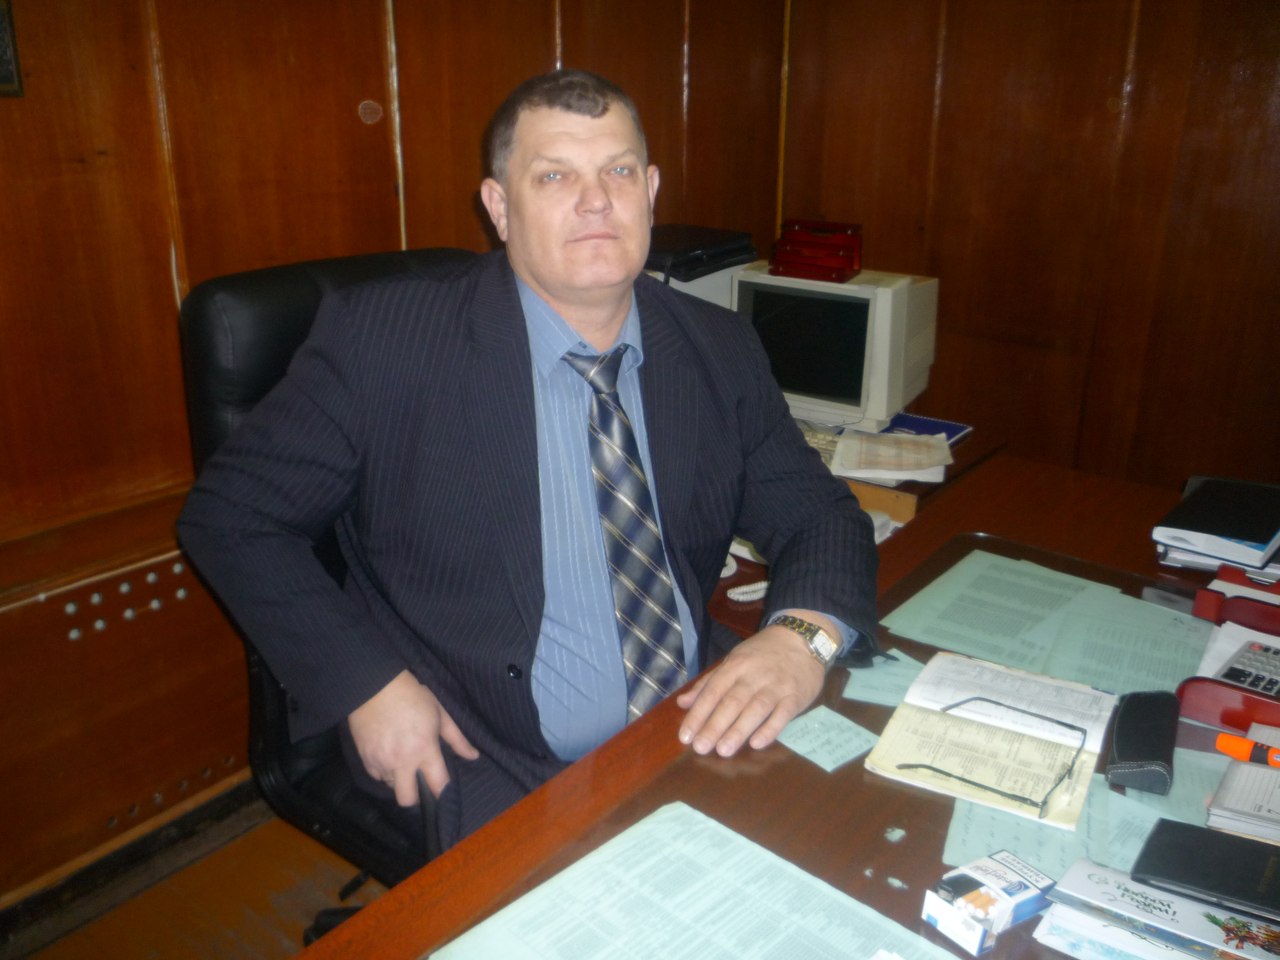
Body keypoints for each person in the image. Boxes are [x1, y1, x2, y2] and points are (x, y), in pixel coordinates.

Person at [178, 69, 878, 850]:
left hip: (692, 712)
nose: (596, 201)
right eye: (554, 176)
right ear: (499, 208)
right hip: (483, 741)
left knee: (853, 840)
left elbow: (819, 514)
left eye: (618, 171)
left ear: (650, 192)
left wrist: (799, 640)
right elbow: (233, 518)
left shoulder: (717, 346)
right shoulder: (386, 341)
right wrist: (363, 685)